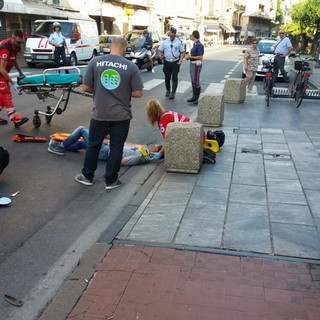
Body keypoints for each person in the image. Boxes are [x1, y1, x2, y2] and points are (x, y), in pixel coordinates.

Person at [75, 37, 143, 189]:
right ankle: (111, 180)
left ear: (110, 47)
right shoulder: (131, 66)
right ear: (125, 48)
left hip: (100, 113)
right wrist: (123, 90)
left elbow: (86, 87)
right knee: (116, 148)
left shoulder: (95, 62)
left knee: (93, 145)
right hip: (121, 115)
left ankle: (87, 176)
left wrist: (100, 89)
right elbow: (138, 93)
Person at [145, 98, 216, 163]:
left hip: (195, 140)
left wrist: (160, 153)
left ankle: (199, 156)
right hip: (199, 134)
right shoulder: (166, 113)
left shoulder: (163, 121)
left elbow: (169, 141)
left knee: (172, 152)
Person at [48, 126, 163, 165]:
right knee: (83, 144)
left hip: (104, 152)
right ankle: (59, 145)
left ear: (154, 153)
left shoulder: (139, 157)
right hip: (105, 148)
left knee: (82, 129)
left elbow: (121, 162)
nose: (151, 146)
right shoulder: (141, 152)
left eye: (154, 147)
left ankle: (61, 146)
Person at [0, 29, 29, 127]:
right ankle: (14, 118)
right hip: (1, 72)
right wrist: (13, 83)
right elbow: (2, 69)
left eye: (21, 42)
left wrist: (20, 72)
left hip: (2, 72)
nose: (20, 44)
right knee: (6, 93)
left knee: (3, 97)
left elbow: (14, 60)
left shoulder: (16, 46)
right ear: (13, 38)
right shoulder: (5, 48)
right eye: (18, 42)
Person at [157, 27, 185, 99]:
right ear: (169, 33)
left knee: (174, 77)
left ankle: (173, 92)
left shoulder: (179, 42)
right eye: (172, 33)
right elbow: (159, 50)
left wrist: (180, 60)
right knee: (167, 77)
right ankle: (168, 90)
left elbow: (182, 52)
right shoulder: (165, 42)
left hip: (175, 62)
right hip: (167, 62)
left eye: (174, 33)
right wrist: (160, 56)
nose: (173, 34)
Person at [185, 30, 204, 104]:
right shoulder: (195, 44)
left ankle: (197, 97)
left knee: (196, 80)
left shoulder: (199, 45)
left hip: (196, 64)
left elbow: (200, 57)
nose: (191, 37)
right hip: (192, 63)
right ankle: (194, 96)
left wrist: (190, 57)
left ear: (194, 36)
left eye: (192, 35)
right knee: (193, 80)